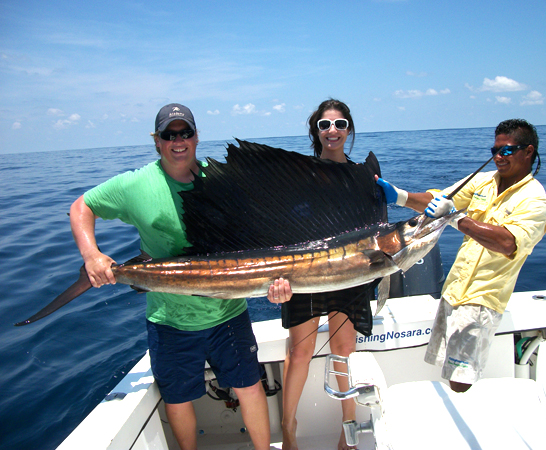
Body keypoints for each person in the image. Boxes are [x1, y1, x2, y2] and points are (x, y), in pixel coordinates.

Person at [69, 103, 271, 450]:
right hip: (169, 321)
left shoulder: (221, 180)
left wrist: (273, 283)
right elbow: (81, 207)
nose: (178, 140)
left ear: (196, 137)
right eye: (169, 134)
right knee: (177, 399)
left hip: (228, 314)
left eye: (185, 132)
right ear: (157, 141)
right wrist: (92, 255)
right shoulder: (135, 185)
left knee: (250, 385)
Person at [376, 118, 546, 393]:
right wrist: (398, 196)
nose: (497, 157)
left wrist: (455, 218)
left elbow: (507, 242)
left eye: (506, 150)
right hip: (454, 291)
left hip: (482, 300)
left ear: (528, 151)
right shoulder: (484, 182)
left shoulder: (535, 200)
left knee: (460, 382)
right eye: (494, 150)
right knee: (445, 370)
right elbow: (438, 200)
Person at [268, 99, 382, 450]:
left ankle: (347, 434)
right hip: (306, 273)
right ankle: (289, 428)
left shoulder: (365, 174)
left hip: (351, 274)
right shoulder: (300, 174)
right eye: (325, 125)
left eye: (340, 124)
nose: (332, 130)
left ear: (348, 130)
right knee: (299, 353)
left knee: (343, 351)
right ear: (315, 131)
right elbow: (282, 226)